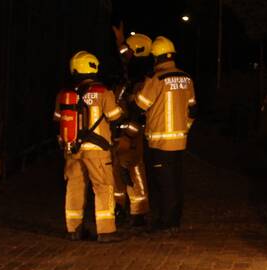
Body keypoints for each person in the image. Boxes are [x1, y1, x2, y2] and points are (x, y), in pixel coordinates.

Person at [54, 50, 124, 242]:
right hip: (98, 151)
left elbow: (58, 119)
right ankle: (106, 231)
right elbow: (115, 116)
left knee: (74, 188)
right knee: (103, 188)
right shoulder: (103, 91)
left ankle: (73, 230)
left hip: (72, 149)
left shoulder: (65, 94)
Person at [135, 36, 196, 233]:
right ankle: (175, 218)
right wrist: (184, 129)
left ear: (156, 58)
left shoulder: (157, 78)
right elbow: (192, 110)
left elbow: (140, 104)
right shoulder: (186, 78)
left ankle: (165, 221)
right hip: (180, 141)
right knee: (176, 181)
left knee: (163, 183)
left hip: (160, 142)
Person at [112, 33, 153, 228]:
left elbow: (138, 111)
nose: (124, 55)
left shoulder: (142, 81)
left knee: (134, 170)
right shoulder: (131, 75)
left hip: (132, 133)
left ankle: (139, 212)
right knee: (117, 170)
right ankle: (120, 207)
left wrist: (128, 132)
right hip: (122, 131)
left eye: (127, 52)